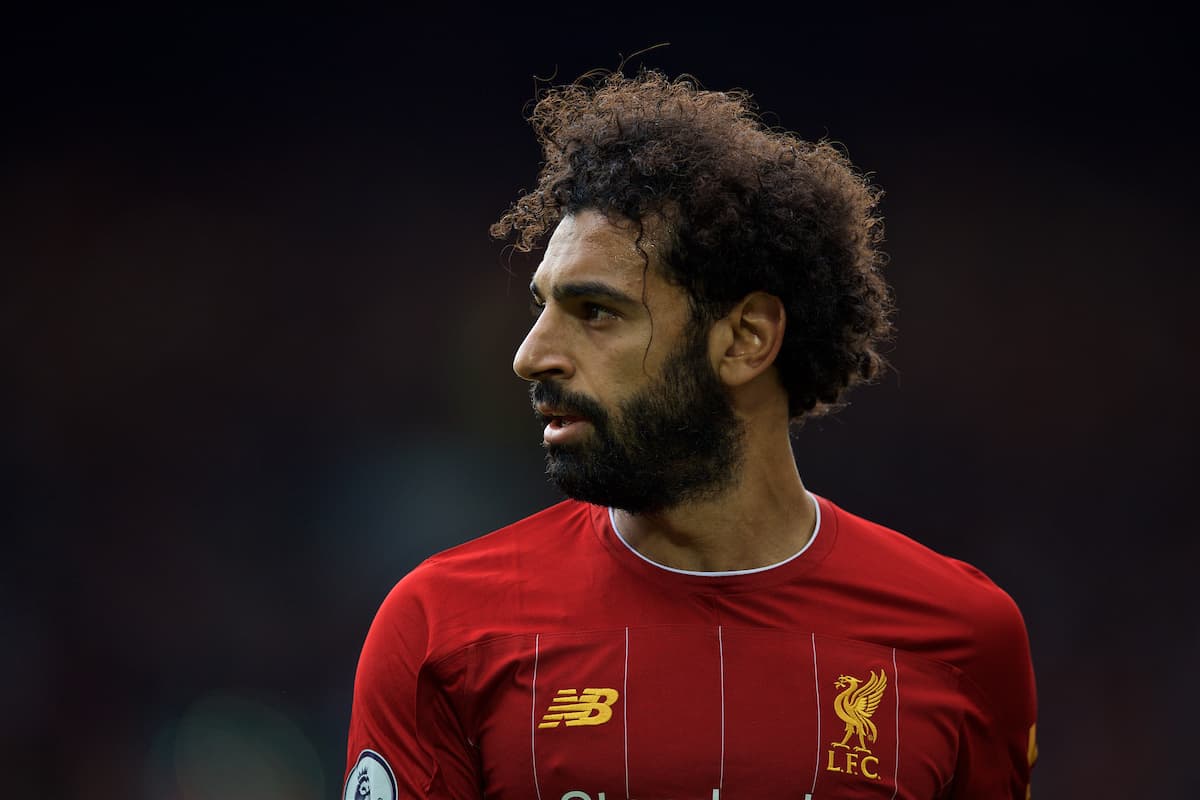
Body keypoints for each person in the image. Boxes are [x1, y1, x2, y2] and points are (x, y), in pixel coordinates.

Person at [343, 69, 1037, 800]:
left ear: (744, 339)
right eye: (542, 305)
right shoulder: (443, 631)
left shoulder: (962, 640)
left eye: (596, 312)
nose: (530, 354)